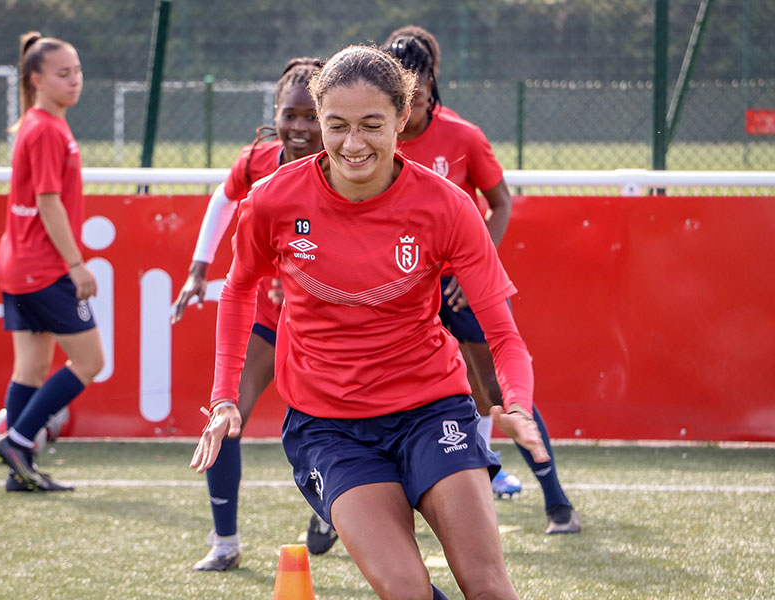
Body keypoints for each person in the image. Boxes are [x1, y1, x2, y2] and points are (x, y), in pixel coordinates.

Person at [191, 44, 550, 600]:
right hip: (328, 426)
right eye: (336, 125)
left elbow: (503, 335)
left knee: (487, 586)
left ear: (402, 118)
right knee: (406, 590)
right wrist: (223, 399)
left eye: (371, 125)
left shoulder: (448, 207)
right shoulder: (272, 200)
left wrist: (519, 404)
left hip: (431, 410)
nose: (353, 143)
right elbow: (239, 289)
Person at [384, 25, 581, 535]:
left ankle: (557, 501)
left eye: (419, 85)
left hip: (460, 286)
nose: (412, 95)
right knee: (385, 387)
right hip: (402, 292)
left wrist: (472, 268)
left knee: (494, 387)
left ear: (433, 82)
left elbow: (500, 203)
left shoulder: (463, 136)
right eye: (402, 87)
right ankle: (349, 507)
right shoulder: (375, 139)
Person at [171, 57, 332, 570]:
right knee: (225, 414)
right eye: (291, 114)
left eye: (311, 116)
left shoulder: (349, 167)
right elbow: (222, 201)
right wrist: (198, 268)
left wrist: (299, 275)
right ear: (275, 114)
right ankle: (225, 543)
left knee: (333, 427)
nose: (300, 126)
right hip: (267, 318)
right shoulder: (256, 162)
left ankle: (334, 508)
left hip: (330, 326)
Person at [0, 32, 104, 492]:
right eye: (63, 74)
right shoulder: (44, 129)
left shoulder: (42, 124)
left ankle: (19, 472)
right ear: (36, 79)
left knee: (31, 370)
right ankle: (18, 441)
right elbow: (48, 202)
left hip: (21, 265)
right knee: (90, 361)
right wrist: (76, 265)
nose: (75, 80)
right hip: (43, 268)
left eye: (77, 71)